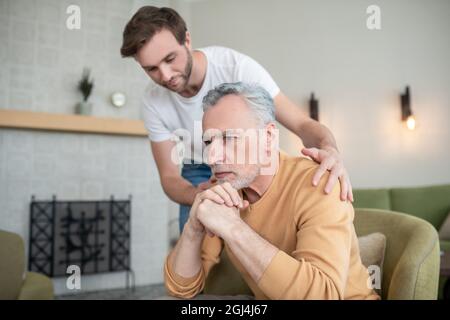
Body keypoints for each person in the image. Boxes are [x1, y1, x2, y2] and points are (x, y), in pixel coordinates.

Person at [121, 6, 354, 233]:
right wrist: (199, 195)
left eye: (170, 58)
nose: (166, 75)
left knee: (265, 233)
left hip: (248, 161)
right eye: (151, 69)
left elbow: (302, 125)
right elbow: (169, 177)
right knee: (195, 243)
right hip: (198, 170)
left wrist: (330, 149)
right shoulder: (152, 101)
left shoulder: (237, 68)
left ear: (187, 40)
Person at [164, 82, 379, 300]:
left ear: (268, 137)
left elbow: (323, 296)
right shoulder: (224, 188)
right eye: (209, 141)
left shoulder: (318, 183)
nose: (212, 157)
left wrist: (233, 228)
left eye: (229, 138)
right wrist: (193, 228)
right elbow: (181, 289)